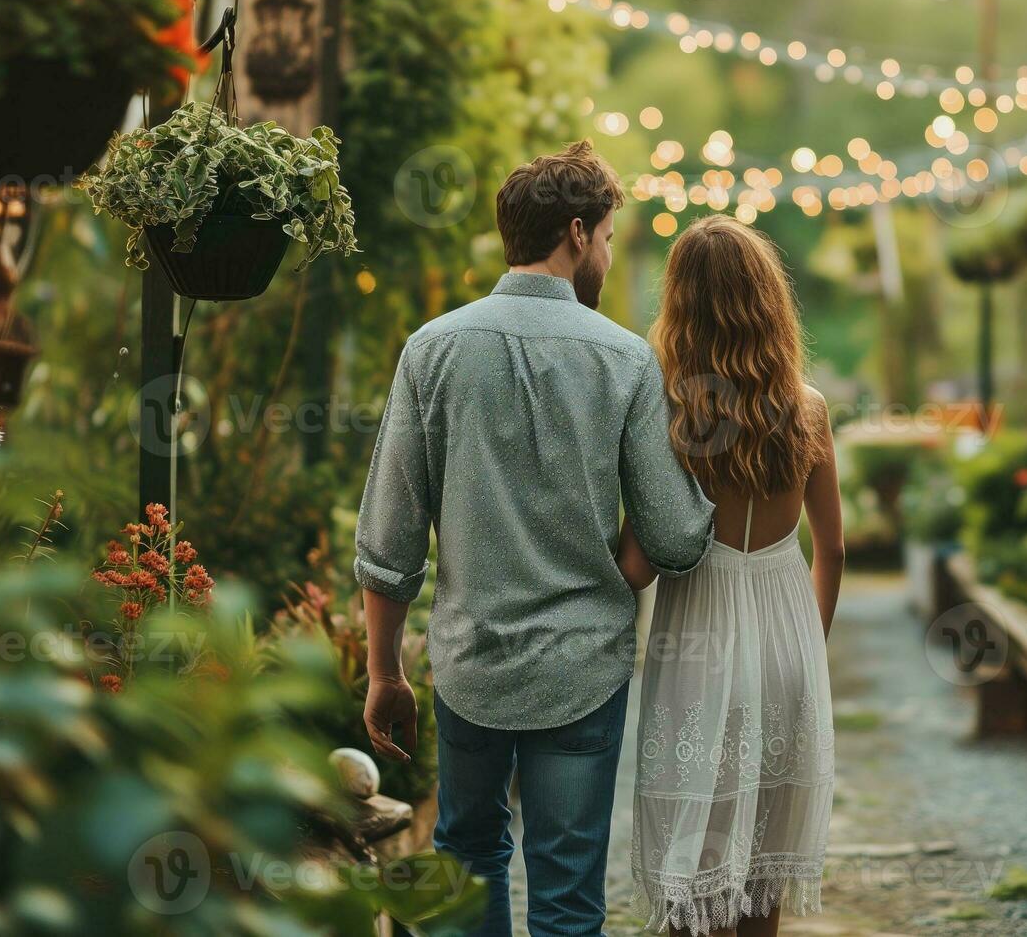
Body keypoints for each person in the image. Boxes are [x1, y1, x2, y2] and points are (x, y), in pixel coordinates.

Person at [355, 140, 715, 937]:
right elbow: (675, 534)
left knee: (469, 856)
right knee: (566, 887)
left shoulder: (432, 349)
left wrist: (385, 673)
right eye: (612, 237)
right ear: (578, 233)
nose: (610, 254)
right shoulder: (625, 360)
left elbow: (389, 540)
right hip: (583, 667)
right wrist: (616, 574)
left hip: (470, 666)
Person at [621, 215, 842, 937]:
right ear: (767, 302)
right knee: (761, 878)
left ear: (681, 304)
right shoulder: (807, 411)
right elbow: (832, 549)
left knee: (697, 868)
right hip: (786, 642)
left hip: (697, 645)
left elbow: (639, 556)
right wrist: (809, 646)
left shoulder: (669, 414)